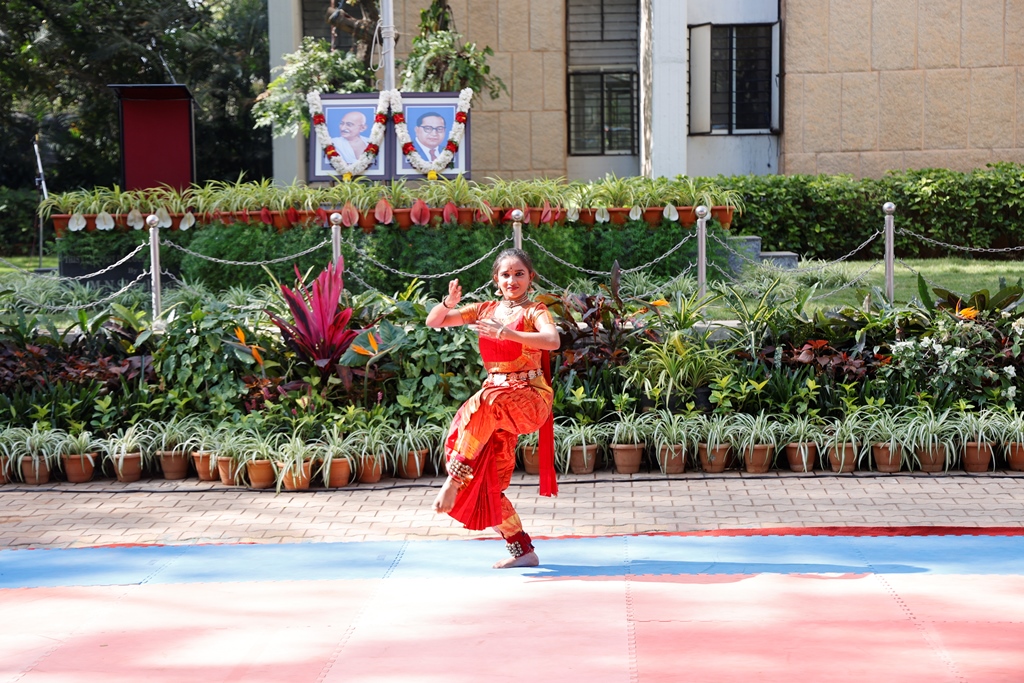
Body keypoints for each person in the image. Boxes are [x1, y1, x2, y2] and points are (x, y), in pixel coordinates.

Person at [426, 248, 559, 568]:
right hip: (497, 402)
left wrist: (510, 333)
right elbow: (434, 322)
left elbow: (552, 341)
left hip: (528, 397)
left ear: (531, 277)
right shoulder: (486, 309)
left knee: (483, 401)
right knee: (488, 484)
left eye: (519, 274)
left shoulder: (535, 310)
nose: (512, 280)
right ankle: (522, 550)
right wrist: (449, 304)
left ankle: (452, 481)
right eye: (505, 275)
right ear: (495, 280)